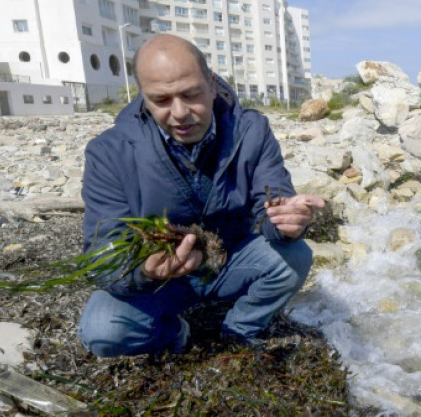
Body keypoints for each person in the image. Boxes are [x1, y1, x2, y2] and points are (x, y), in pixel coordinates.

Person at [77, 33, 323, 357]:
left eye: (190, 94)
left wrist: (285, 218)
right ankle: (174, 332)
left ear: (210, 83)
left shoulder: (251, 130)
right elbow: (101, 255)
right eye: (161, 100)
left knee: (295, 257)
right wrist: (145, 270)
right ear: (143, 96)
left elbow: (272, 198)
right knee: (103, 331)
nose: (179, 113)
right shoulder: (109, 152)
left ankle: (237, 331)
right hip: (162, 281)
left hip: (229, 262)